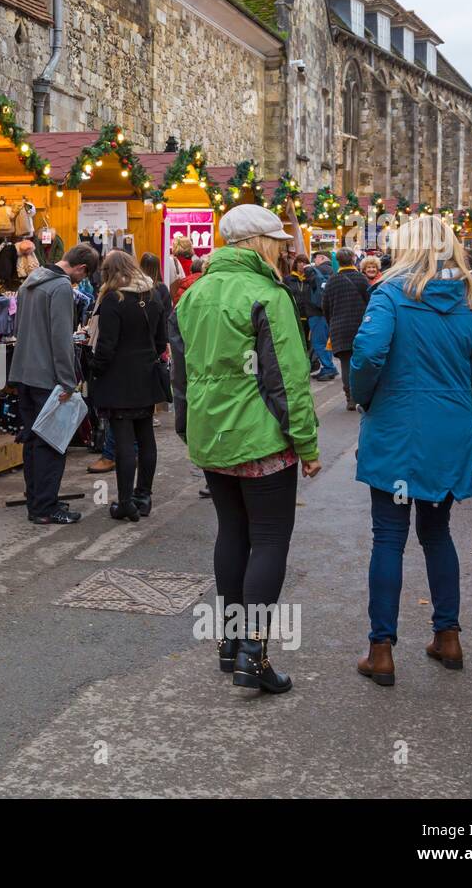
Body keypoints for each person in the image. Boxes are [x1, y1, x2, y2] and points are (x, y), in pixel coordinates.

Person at [169, 204, 321, 694]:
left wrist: (187, 426)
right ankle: (253, 656)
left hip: (212, 433)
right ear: (260, 243)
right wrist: (308, 442)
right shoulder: (266, 294)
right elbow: (289, 381)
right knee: (271, 539)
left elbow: (180, 372)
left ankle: (230, 644)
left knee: (232, 532)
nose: (284, 247)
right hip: (261, 436)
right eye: (278, 240)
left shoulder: (194, 293)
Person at [349, 216, 472, 687]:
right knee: (437, 534)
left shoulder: (391, 295)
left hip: (395, 429)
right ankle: (448, 636)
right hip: (447, 431)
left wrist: (366, 395)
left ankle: (381, 649)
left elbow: (368, 354)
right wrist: (451, 390)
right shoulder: (471, 304)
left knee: (388, 538)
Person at [9, 242, 100, 524]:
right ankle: (45, 508)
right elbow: (61, 339)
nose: (81, 281)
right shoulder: (60, 287)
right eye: (83, 277)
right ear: (81, 268)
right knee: (52, 442)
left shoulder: (30, 282)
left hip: (23, 371)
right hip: (47, 375)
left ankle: (36, 499)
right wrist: (68, 381)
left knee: (33, 440)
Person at [88, 251, 167, 521]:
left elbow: (106, 346)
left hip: (118, 378)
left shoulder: (114, 299)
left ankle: (124, 502)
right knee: (146, 437)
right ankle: (143, 496)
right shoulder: (152, 295)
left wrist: (94, 370)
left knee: (124, 442)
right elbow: (161, 341)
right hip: (146, 375)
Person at [322, 248, 372, 410]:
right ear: (352, 259)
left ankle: (350, 397)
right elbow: (371, 304)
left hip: (339, 328)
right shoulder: (361, 279)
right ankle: (362, 395)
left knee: (346, 364)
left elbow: (325, 307)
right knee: (362, 362)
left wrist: (332, 324)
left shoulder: (332, 280)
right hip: (361, 327)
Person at [305, 251, 337, 381]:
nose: (314, 260)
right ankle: (327, 367)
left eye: (316, 258)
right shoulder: (332, 271)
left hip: (316, 312)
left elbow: (312, 287)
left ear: (322, 258)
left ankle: (328, 368)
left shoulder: (317, 270)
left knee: (318, 342)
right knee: (326, 342)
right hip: (327, 311)